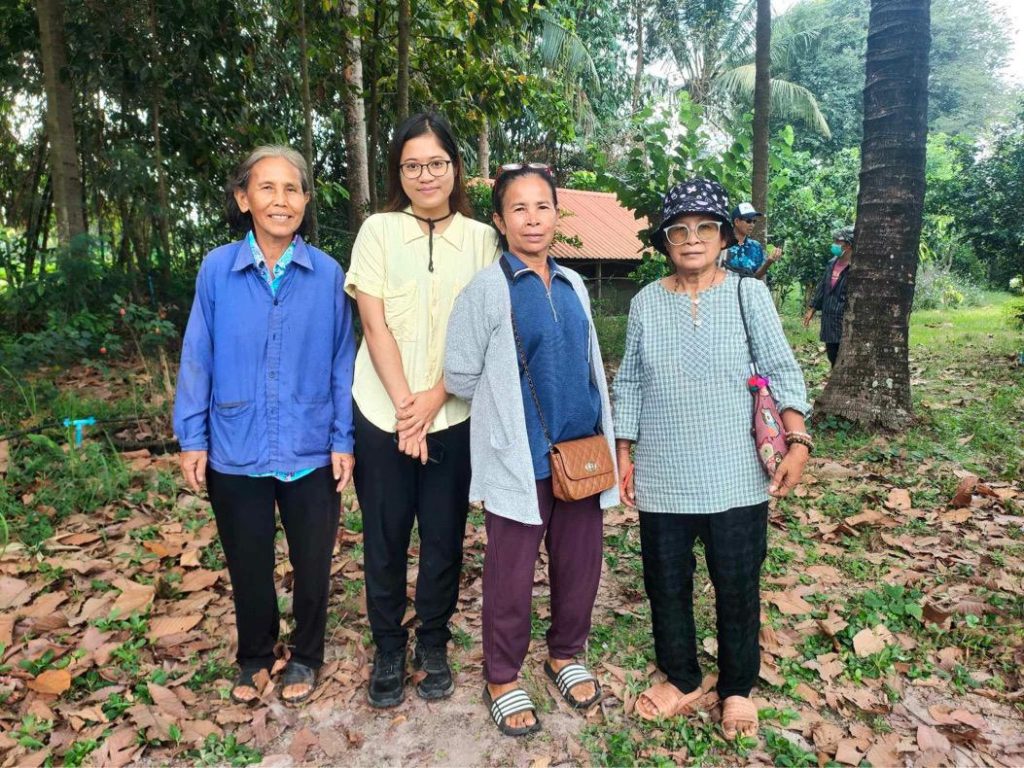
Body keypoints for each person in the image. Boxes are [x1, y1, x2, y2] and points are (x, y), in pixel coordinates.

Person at [613, 179, 812, 739]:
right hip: (664, 473)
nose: (692, 239)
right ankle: (681, 676)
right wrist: (624, 452)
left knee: (737, 581)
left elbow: (781, 370)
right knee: (665, 581)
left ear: (725, 236)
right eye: (679, 230)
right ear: (665, 242)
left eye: (705, 227)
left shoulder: (750, 295)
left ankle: (737, 688)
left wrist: (798, 441)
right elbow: (630, 382)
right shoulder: (646, 303)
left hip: (736, 475)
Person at [173, 145, 356, 706]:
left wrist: (343, 438)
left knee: (312, 561)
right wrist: (192, 436)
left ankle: (306, 656)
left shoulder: (327, 275)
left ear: (305, 200)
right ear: (243, 199)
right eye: (267, 188)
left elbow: (342, 361)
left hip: (310, 443)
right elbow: (198, 353)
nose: (281, 200)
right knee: (248, 560)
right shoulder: (217, 270)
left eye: (292, 189)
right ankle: (254, 655)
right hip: (236, 443)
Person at [445, 164, 619, 737]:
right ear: (500, 221)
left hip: (581, 453)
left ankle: (565, 654)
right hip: (519, 458)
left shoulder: (573, 285)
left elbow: (588, 364)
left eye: (542, 206)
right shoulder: (487, 289)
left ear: (556, 214)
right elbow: (460, 373)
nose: (532, 218)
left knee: (581, 565)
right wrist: (506, 408)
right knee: (511, 573)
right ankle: (502, 676)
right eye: (518, 208)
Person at [344, 112, 499, 708]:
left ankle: (432, 641)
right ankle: (388, 645)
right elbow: (374, 323)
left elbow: (484, 334)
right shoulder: (378, 231)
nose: (426, 175)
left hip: (452, 415)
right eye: (413, 165)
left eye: (437, 163)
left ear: (455, 168)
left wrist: (434, 399)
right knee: (384, 538)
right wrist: (408, 410)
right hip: (381, 413)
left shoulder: (483, 240)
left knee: (443, 538)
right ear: (398, 172)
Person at [803, 226, 854, 367]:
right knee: (831, 352)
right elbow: (822, 287)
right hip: (828, 318)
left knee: (841, 353)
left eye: (838, 242)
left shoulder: (854, 268)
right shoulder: (832, 263)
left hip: (843, 319)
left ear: (848, 245)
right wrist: (812, 308)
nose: (834, 244)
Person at [724, 202, 781, 279]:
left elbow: (756, 277)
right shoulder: (722, 244)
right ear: (736, 221)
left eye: (754, 221)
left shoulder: (756, 246)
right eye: (748, 221)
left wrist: (769, 262)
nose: (752, 225)